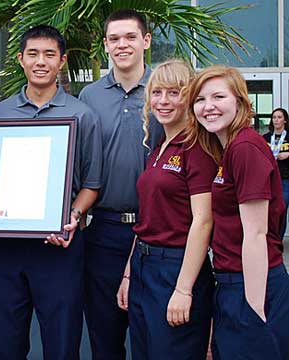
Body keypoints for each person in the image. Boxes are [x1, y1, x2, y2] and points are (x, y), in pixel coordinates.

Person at [0, 24, 102, 359]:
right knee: (7, 343)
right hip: (6, 247)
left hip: (59, 246)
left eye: (50, 55)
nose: (41, 62)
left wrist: (72, 215)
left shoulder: (83, 115)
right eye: (33, 54)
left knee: (61, 341)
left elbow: (92, 184)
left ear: (62, 61)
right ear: (20, 59)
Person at [115, 60, 215, 359]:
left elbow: (203, 222)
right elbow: (147, 216)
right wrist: (129, 274)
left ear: (189, 97)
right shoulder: (158, 146)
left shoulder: (196, 147)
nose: (163, 101)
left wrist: (184, 290)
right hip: (144, 267)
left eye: (174, 92)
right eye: (157, 92)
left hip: (176, 268)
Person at [78, 9, 163, 358]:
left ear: (146, 41)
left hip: (159, 232)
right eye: (114, 39)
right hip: (104, 231)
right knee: (105, 337)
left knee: (153, 336)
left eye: (130, 37)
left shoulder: (166, 93)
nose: (122, 45)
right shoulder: (89, 97)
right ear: (105, 45)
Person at [189, 65, 289, 359]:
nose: (208, 107)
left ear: (241, 103)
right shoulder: (229, 149)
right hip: (232, 283)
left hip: (253, 285)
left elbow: (256, 234)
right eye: (200, 99)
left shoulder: (245, 147)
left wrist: (254, 309)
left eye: (219, 97)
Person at [263, 107, 289, 238]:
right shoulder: (266, 137)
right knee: (270, 209)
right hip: (269, 178)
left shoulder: (288, 136)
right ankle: (270, 237)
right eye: (274, 117)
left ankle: (278, 238)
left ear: (285, 120)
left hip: (285, 179)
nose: (276, 120)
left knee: (282, 207)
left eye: (279, 117)